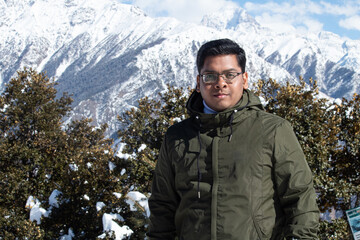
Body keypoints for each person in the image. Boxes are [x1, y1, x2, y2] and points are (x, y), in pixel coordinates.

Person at [147, 38, 319, 240]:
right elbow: (163, 205)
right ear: (198, 82)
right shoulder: (177, 137)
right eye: (210, 76)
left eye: (230, 75)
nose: (220, 83)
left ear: (244, 79)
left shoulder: (273, 130)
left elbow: (300, 198)